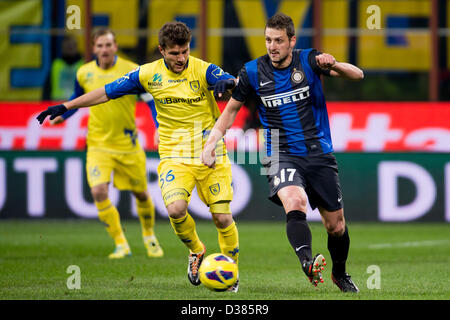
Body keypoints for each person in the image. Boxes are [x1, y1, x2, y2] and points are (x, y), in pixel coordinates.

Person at [37, 22, 240, 291]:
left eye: (185, 52)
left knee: (222, 218)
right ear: (161, 50)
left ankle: (230, 272)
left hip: (210, 151)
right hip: (173, 155)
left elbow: (227, 80)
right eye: (174, 53)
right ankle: (196, 249)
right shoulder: (146, 74)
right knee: (176, 209)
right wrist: (67, 105)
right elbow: (106, 93)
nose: (181, 59)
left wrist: (228, 83)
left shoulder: (203, 69)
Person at [201, 13, 364, 293]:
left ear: (292, 41)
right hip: (278, 151)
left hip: (318, 151)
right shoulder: (251, 72)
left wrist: (334, 63)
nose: (272, 46)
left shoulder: (310, 60)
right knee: (295, 199)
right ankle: (307, 262)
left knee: (335, 226)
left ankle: (339, 273)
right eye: (267, 40)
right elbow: (230, 111)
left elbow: (357, 75)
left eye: (278, 40)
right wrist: (210, 143)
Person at [50, 27, 163, 259]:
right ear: (93, 48)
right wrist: (64, 114)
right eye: (100, 46)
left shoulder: (132, 70)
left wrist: (159, 127)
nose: (104, 49)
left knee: (141, 194)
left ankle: (149, 236)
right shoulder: (84, 73)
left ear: (115, 47)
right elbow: (78, 99)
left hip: (128, 145)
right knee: (99, 191)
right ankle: (121, 243)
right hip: (98, 144)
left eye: (108, 45)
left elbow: (150, 101)